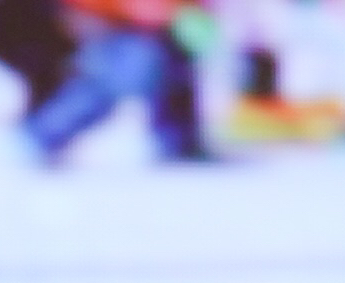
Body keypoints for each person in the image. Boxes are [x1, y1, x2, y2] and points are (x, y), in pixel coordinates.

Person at [24, 0, 212, 162]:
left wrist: (184, 14)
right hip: (111, 37)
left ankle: (182, 142)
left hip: (175, 40)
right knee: (125, 67)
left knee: (177, 68)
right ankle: (40, 137)